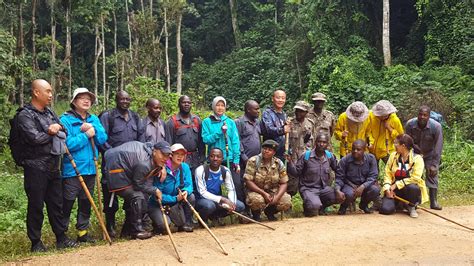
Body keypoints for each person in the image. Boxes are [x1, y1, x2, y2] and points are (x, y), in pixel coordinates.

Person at [16, 79, 78, 252]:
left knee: (56, 204)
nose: (51, 95)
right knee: (36, 205)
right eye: (48, 91)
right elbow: (34, 138)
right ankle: (36, 243)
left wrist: (56, 130)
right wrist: (51, 132)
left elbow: (63, 130)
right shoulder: (25, 115)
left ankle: (61, 238)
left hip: (53, 166)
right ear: (36, 92)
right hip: (35, 167)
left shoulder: (49, 112)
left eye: (51, 92)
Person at [60, 88, 107, 243]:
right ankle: (62, 235)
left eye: (89, 98)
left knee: (86, 202)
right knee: (67, 202)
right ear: (74, 101)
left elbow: (102, 139)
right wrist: (85, 135)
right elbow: (66, 145)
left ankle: (82, 233)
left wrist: (93, 130)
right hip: (72, 169)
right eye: (82, 98)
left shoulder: (94, 119)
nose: (86, 101)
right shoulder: (65, 120)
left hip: (91, 168)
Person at [99, 90, 144, 237]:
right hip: (113, 166)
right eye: (122, 99)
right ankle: (110, 227)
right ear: (116, 100)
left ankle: (128, 227)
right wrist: (114, 156)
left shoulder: (135, 117)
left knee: (132, 195)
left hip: (131, 166)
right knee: (110, 196)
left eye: (127, 99)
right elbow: (102, 139)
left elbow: (141, 140)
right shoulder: (108, 116)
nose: (125, 101)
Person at [104, 140, 170, 239]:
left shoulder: (153, 159)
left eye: (168, 155)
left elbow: (145, 181)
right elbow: (137, 184)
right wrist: (155, 190)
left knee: (144, 198)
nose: (165, 158)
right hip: (117, 171)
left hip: (128, 171)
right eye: (163, 154)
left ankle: (126, 232)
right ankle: (137, 231)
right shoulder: (144, 163)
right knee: (137, 196)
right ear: (155, 151)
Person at [202, 96, 243, 202]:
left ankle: (238, 209)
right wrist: (219, 132)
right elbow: (206, 139)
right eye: (218, 105)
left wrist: (236, 160)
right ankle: (217, 213)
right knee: (214, 187)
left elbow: (235, 141)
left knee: (236, 184)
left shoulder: (230, 122)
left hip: (229, 158)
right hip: (214, 160)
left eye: (222, 105)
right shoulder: (207, 122)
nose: (220, 108)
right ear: (213, 106)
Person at [148, 144, 196, 233]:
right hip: (158, 204)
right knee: (164, 226)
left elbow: (189, 185)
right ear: (171, 155)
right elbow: (157, 196)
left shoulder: (185, 167)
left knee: (191, 196)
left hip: (175, 203)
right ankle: (158, 224)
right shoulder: (161, 169)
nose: (180, 156)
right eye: (177, 153)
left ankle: (186, 223)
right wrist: (175, 198)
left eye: (182, 154)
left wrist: (186, 191)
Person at [287, 133, 337, 217]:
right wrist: (290, 162)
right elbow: (296, 172)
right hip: (308, 189)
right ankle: (309, 207)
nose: (321, 144)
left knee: (340, 196)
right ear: (315, 143)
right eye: (319, 142)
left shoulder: (329, 156)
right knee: (313, 208)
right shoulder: (306, 156)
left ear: (327, 144)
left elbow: (338, 170)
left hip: (323, 189)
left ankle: (321, 207)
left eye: (324, 142)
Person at [379, 134, 429, 218]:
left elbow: (415, 178)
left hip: (409, 190)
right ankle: (398, 204)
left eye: (396, 143)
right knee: (386, 209)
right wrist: (387, 188)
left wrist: (397, 185)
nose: (394, 145)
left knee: (413, 188)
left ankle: (411, 206)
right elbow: (387, 173)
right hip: (394, 190)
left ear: (403, 146)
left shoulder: (417, 159)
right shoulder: (393, 156)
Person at [405, 106, 443, 210]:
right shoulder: (410, 124)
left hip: (430, 153)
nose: (422, 117)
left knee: (432, 173)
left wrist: (435, 164)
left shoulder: (436, 127)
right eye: (420, 114)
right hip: (415, 153)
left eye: (425, 115)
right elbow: (406, 141)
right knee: (415, 176)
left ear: (429, 116)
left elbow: (438, 146)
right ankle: (415, 201)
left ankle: (433, 201)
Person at [244, 140, 292, 221]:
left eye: (269, 150)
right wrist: (263, 193)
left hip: (273, 191)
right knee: (257, 200)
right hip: (256, 191)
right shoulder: (253, 161)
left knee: (286, 200)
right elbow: (248, 181)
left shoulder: (278, 163)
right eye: (265, 148)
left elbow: (284, 183)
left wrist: (277, 197)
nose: (266, 151)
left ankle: (270, 212)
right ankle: (256, 215)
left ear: (274, 153)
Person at [195, 148, 245, 223]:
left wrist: (231, 203)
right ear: (208, 158)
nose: (215, 159)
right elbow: (202, 192)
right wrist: (222, 199)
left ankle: (215, 216)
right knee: (209, 206)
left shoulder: (225, 170)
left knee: (240, 206)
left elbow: (231, 189)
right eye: (212, 156)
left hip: (218, 199)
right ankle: (203, 220)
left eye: (218, 157)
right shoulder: (201, 170)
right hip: (202, 199)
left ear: (222, 159)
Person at [335, 140, 380, 215]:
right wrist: (337, 189)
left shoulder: (371, 159)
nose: (355, 151)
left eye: (358, 149)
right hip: (350, 185)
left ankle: (363, 205)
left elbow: (373, 176)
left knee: (375, 190)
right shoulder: (345, 160)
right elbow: (340, 177)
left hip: (365, 185)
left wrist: (363, 186)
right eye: (353, 149)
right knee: (348, 193)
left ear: (364, 150)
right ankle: (343, 206)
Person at [165, 95, 205, 176]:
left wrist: (202, 158)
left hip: (195, 159)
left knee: (196, 181)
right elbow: (169, 143)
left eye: (189, 103)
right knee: (181, 181)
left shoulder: (197, 120)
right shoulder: (172, 122)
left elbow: (201, 142)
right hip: (180, 159)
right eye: (184, 102)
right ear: (179, 104)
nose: (186, 104)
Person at [287, 101, 314, 196]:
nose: (298, 113)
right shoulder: (290, 123)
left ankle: (308, 203)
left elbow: (312, 141)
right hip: (293, 158)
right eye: (297, 110)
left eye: (301, 111)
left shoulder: (310, 124)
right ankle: (288, 204)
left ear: (306, 112)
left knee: (307, 183)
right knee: (291, 184)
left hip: (306, 157)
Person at [261, 90, 290, 160]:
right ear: (273, 98)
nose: (281, 100)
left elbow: (287, 134)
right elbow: (268, 129)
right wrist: (283, 130)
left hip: (283, 152)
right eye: (278, 97)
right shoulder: (267, 113)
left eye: (283, 98)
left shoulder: (284, 114)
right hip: (270, 152)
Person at [234, 100, 261, 176]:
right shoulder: (239, 122)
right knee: (243, 181)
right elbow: (237, 141)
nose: (258, 111)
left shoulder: (257, 122)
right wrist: (244, 158)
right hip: (243, 161)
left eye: (258, 109)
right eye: (256, 109)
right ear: (248, 110)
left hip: (256, 160)